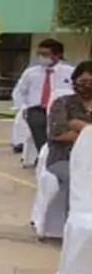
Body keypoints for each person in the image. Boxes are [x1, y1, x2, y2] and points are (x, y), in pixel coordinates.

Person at [45, 60, 92, 214]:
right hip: (64, 158)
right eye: (83, 81)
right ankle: (73, 228)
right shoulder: (62, 103)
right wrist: (86, 131)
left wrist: (78, 126)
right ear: (75, 81)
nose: (87, 85)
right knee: (77, 180)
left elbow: (71, 130)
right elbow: (58, 134)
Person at [12, 38, 75, 152]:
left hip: (62, 109)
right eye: (40, 54)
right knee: (37, 121)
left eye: (46, 54)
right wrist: (21, 107)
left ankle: (58, 153)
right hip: (36, 108)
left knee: (62, 124)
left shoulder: (70, 72)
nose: (42, 57)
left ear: (58, 54)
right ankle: (44, 153)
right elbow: (19, 91)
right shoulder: (31, 72)